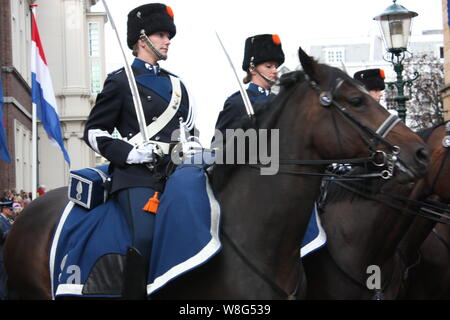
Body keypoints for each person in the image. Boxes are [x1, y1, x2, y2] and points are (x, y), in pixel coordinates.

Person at [83, 3, 193, 298]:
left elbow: (189, 132)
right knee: (145, 236)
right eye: (161, 34)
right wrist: (129, 153)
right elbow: (94, 132)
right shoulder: (120, 81)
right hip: (136, 176)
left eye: (168, 35)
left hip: (177, 173)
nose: (168, 40)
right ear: (142, 39)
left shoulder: (177, 85)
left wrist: (193, 148)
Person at [213, 33, 285, 140]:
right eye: (269, 66)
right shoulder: (236, 103)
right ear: (252, 69)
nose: (275, 71)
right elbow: (217, 147)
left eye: (276, 66)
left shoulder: (280, 102)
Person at [0, 199, 14, 300]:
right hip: (1, 256)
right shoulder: (0, 220)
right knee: (2, 281)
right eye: (9, 209)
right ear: (4, 209)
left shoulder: (7, 220)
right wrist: (13, 230)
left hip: (6, 255)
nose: (11, 211)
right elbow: (1, 236)